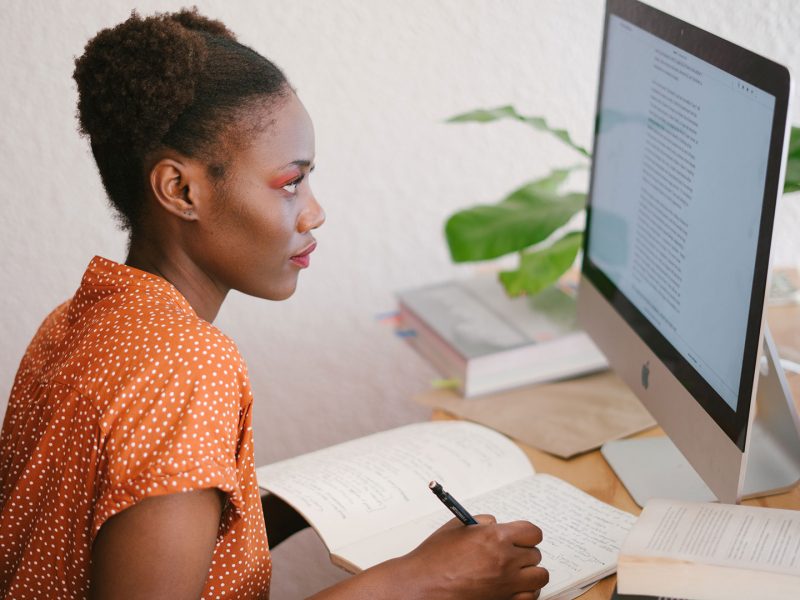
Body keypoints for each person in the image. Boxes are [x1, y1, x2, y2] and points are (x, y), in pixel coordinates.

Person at [0, 9, 549, 600]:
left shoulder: (80, 319)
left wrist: (269, 514)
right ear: (181, 190)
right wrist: (422, 579)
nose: (314, 212)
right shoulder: (186, 368)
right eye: (290, 182)